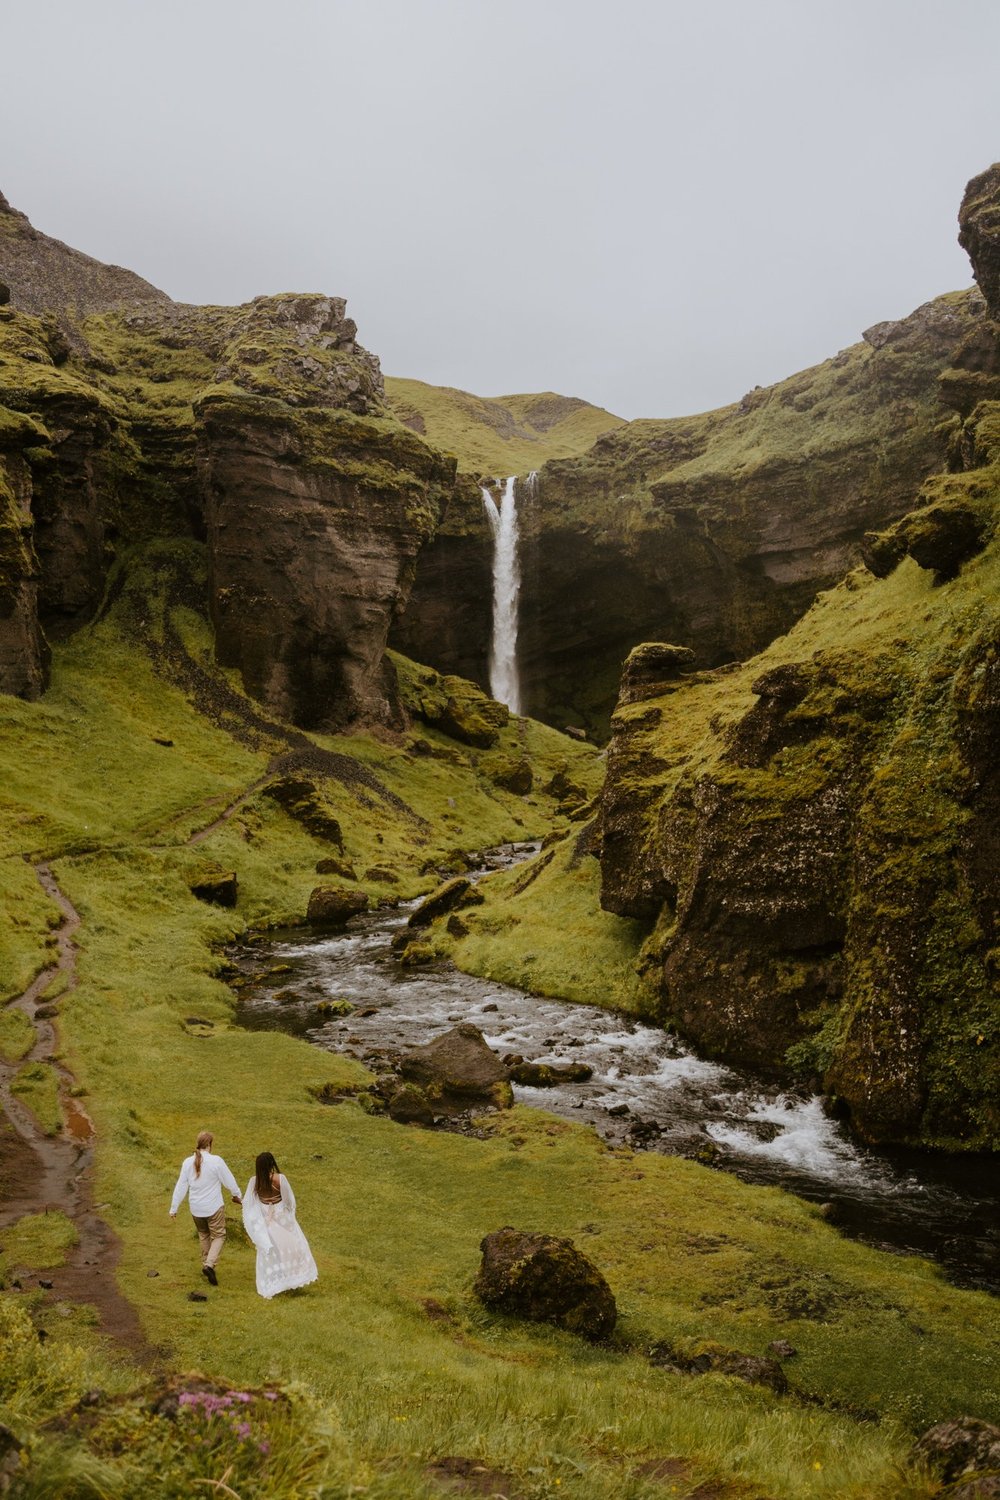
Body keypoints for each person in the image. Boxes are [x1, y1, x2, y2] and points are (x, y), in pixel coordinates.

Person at [169, 1129, 242, 1286]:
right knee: (219, 1235)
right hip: (213, 1207)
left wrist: (173, 1208)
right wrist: (237, 1195)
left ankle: (207, 1266)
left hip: (196, 1208)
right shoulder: (216, 1161)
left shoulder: (188, 1162)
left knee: (203, 1234)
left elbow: (181, 1186)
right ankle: (209, 1265)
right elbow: (229, 1180)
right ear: (210, 1144)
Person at [241, 1151, 318, 1299]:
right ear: (272, 1164)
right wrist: (289, 1213)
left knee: (274, 1249)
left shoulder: (254, 1182)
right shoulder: (279, 1179)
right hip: (282, 1219)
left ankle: (281, 1279)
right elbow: (289, 1200)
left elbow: (248, 1203)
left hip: (266, 1222)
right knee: (293, 1246)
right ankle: (293, 1277)